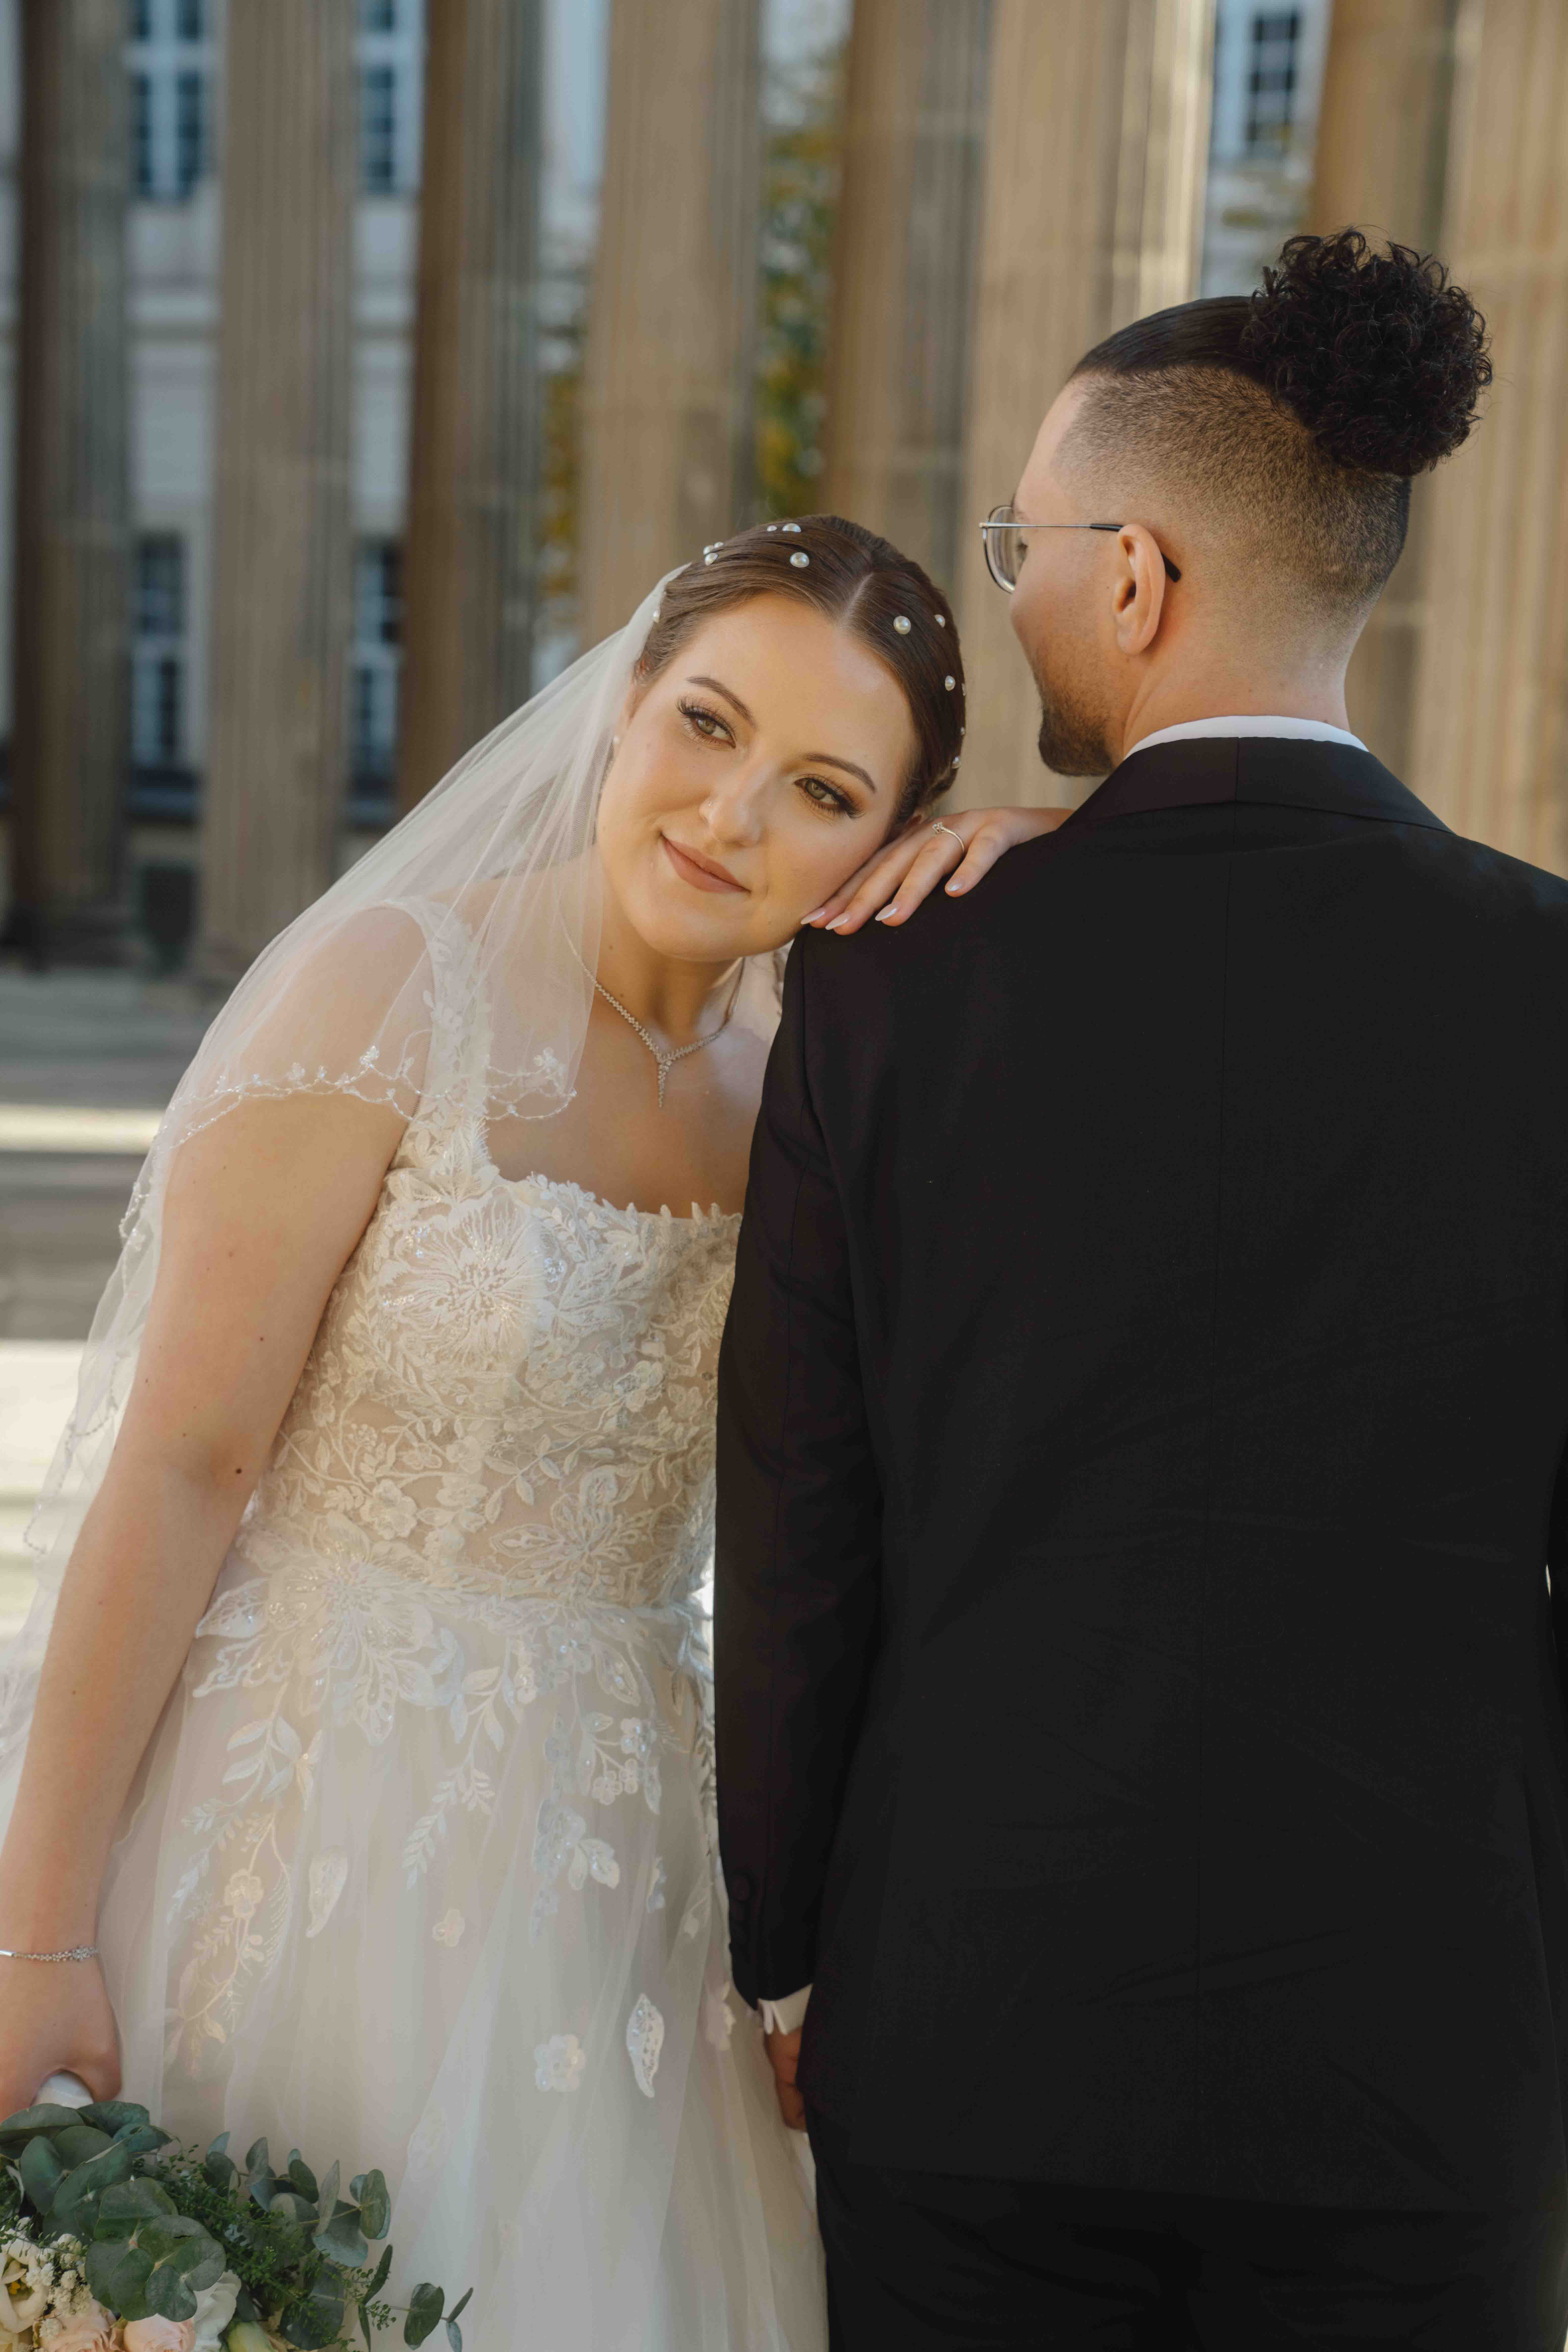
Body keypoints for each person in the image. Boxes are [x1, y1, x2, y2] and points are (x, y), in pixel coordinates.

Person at [0, 517, 1061, 2352]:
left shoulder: (805, 1095)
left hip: (635, 1866)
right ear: (626, 701)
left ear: (882, 842)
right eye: (708, 727)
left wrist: (1051, 870)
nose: (729, 815)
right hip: (300, 1805)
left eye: (820, 789)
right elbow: (179, 1467)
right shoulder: (390, 991)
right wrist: (43, 1932)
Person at [714, 231, 1568, 2349]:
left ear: (1134, 578)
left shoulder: (890, 986)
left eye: (1022, 542)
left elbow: (804, 1535)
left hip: (971, 2026)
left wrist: (792, 1958)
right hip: (1426, 2065)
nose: (1006, 591)